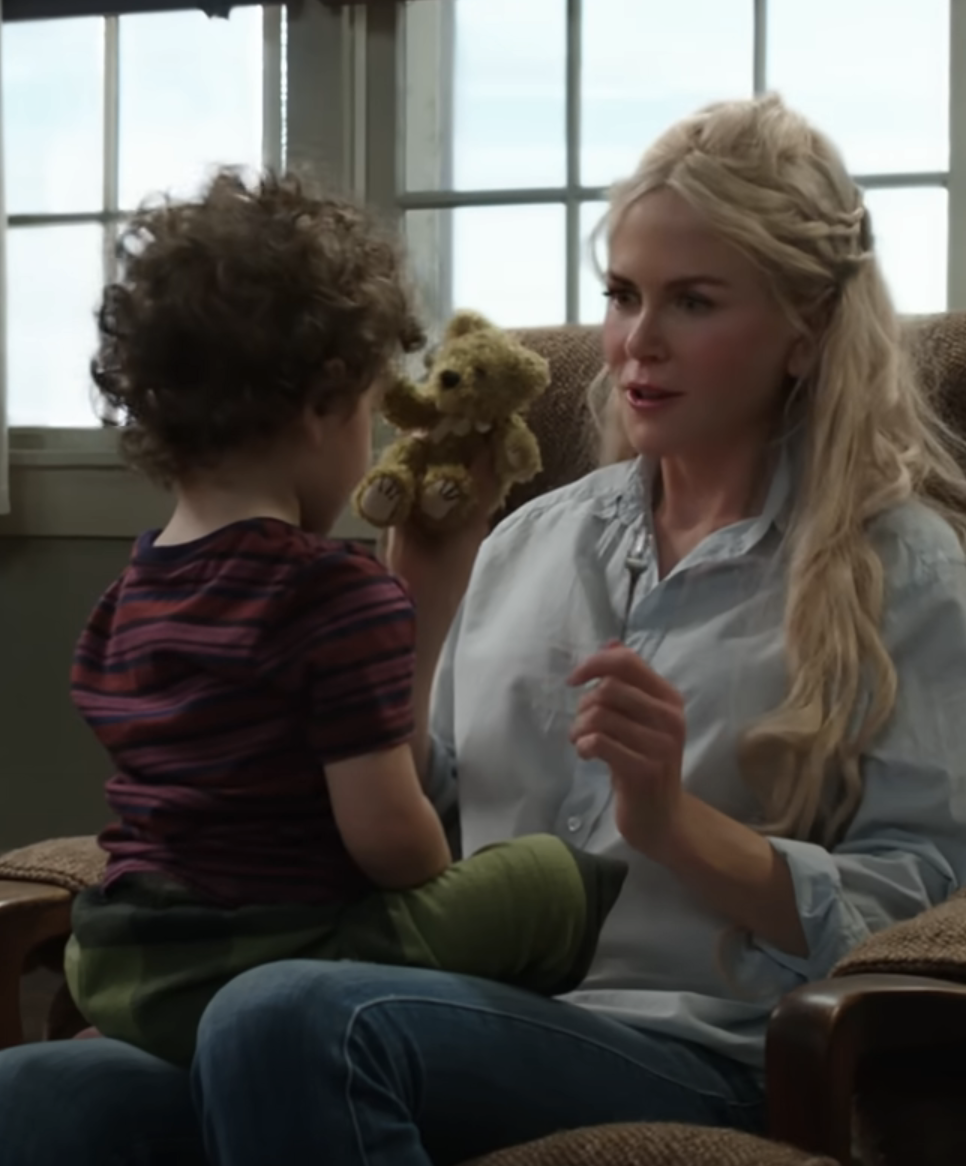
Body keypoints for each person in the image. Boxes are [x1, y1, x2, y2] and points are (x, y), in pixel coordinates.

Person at [0, 93, 966, 1166]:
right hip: (444, 1001)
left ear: (804, 331)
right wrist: (421, 595)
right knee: (35, 1091)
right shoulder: (527, 539)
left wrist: (676, 823)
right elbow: (419, 826)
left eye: (692, 301)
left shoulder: (901, 566)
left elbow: (921, 904)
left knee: (285, 1019)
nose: (637, 342)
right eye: (623, 294)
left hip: (699, 1047)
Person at [34, 170, 629, 1071]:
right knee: (548, 882)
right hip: (272, 955)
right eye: (368, 409)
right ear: (322, 405)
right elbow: (389, 843)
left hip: (118, 960)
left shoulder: (127, 596)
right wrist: (443, 878)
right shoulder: (330, 592)